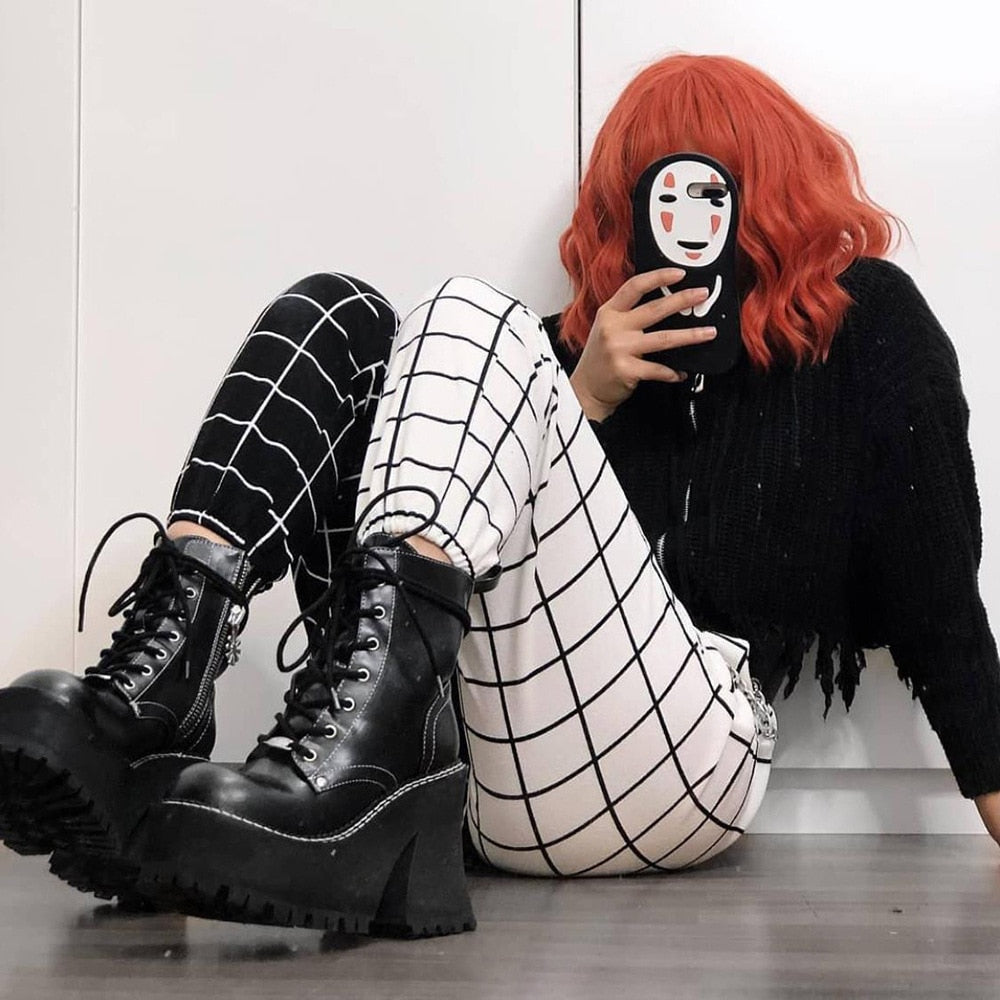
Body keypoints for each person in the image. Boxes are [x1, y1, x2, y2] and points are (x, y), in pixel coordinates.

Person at [0, 52, 996, 938]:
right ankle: (156, 711)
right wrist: (587, 396)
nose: (689, 226)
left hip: (686, 763)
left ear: (767, 196)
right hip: (474, 768)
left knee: (471, 313)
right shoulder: (554, 364)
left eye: (713, 192)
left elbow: (939, 602)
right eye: (657, 193)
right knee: (336, 312)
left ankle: (353, 782)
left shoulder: (860, 324)